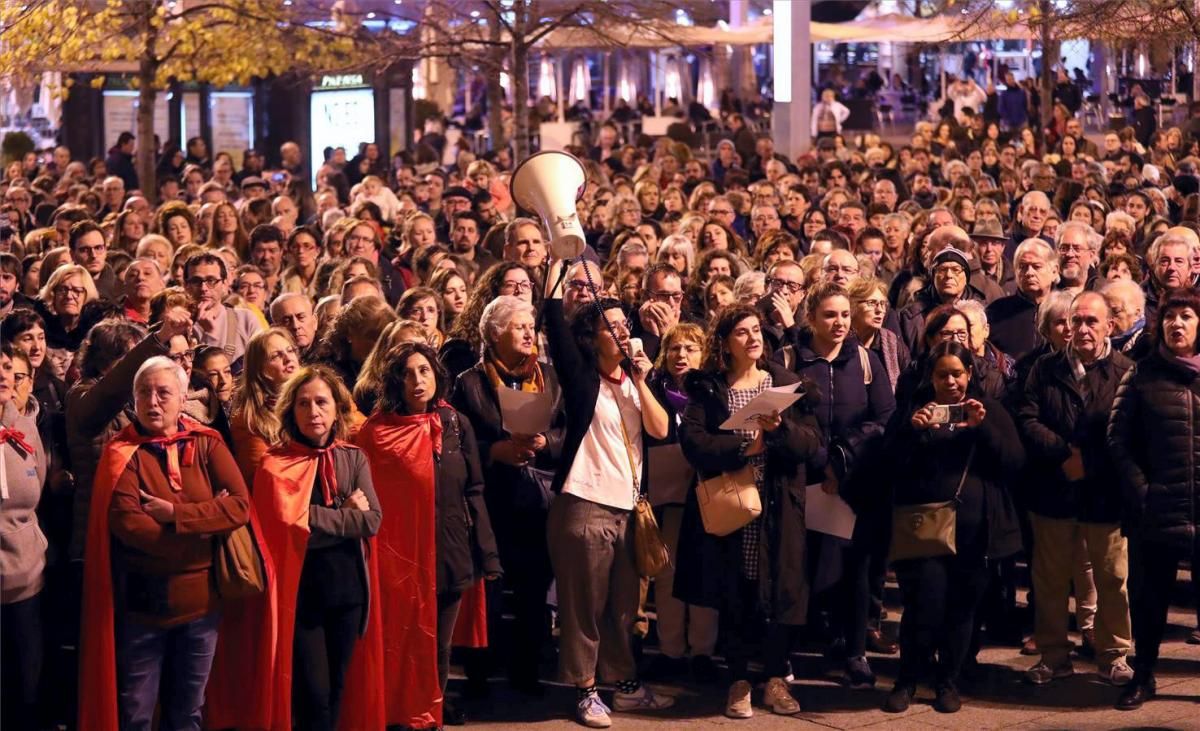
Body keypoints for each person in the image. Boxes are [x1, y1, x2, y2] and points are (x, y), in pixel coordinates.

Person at [78, 356, 250, 730]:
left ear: (182, 397)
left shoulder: (207, 442)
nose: (153, 402)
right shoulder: (121, 452)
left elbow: (239, 507)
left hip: (202, 608)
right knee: (135, 714)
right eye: (144, 393)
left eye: (163, 393)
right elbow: (131, 528)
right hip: (143, 609)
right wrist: (206, 525)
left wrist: (174, 514)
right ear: (133, 400)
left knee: (187, 712)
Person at [541, 259, 673, 727]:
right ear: (591, 338)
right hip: (584, 504)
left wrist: (641, 377)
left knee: (623, 607)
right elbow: (555, 326)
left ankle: (624, 684)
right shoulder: (582, 381)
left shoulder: (635, 380)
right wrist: (556, 271)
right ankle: (584, 688)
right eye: (609, 327)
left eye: (624, 325)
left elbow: (659, 429)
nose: (620, 332)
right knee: (584, 607)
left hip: (628, 510)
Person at [675, 305, 821, 718]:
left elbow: (811, 444)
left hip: (778, 505)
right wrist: (744, 447)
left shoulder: (786, 383)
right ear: (725, 342)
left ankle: (775, 678)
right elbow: (694, 442)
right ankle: (738, 680)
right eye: (741, 332)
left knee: (782, 591)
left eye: (756, 329)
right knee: (736, 589)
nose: (753, 338)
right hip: (732, 501)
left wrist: (780, 431)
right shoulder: (708, 388)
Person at [356, 342, 501, 728]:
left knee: (438, 644)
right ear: (394, 381)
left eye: (424, 370)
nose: (418, 380)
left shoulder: (455, 423)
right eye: (407, 373)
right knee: (402, 639)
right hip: (399, 557)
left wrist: (487, 555)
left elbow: (474, 490)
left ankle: (428, 714)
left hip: (450, 551)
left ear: (437, 375)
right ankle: (397, 711)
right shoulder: (377, 432)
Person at [882, 340, 1024, 714]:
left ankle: (948, 681)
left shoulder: (987, 410)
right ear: (931, 377)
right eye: (943, 374)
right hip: (924, 530)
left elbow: (1013, 462)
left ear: (969, 374)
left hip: (975, 533)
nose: (951, 382)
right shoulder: (913, 412)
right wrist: (912, 432)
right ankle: (907, 680)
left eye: (957, 374)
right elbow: (888, 466)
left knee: (962, 610)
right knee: (923, 606)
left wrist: (980, 429)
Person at [247, 366, 386, 731]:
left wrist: (313, 517)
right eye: (304, 404)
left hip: (348, 593)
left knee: (337, 690)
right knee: (313, 696)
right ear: (291, 411)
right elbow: (288, 531)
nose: (314, 412)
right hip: (301, 597)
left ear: (337, 409)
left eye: (322, 402)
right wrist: (342, 514)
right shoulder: (276, 464)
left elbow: (372, 521)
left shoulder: (353, 457)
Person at [778, 284, 897, 688]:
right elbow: (784, 417)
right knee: (797, 568)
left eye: (845, 314)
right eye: (831, 314)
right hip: (802, 481)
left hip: (852, 484)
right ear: (811, 317)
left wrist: (842, 460)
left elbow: (884, 417)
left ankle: (854, 651)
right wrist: (818, 460)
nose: (841, 322)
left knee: (856, 571)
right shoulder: (791, 358)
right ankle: (787, 652)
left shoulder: (866, 360)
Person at [1016, 292, 1134, 688]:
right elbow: (1028, 417)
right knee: (1049, 580)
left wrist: (1091, 463)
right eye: (1075, 321)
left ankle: (1114, 654)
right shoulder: (1044, 369)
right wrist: (1062, 454)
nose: (1081, 329)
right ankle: (1053, 655)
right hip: (1053, 489)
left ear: (1109, 326)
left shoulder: (1126, 371)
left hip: (1105, 495)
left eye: (1091, 322)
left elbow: (1129, 432)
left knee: (1111, 578)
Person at [451, 295, 565, 694]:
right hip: (492, 502)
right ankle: (481, 674)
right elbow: (455, 443)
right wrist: (493, 451)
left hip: (538, 500)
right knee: (491, 591)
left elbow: (570, 430)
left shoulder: (549, 376)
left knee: (535, 589)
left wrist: (545, 442)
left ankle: (527, 672)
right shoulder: (469, 382)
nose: (529, 333)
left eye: (531, 326)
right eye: (519, 326)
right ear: (495, 333)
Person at [1108, 288, 1200, 710]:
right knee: (1149, 605)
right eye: (1170, 317)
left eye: (1186, 316)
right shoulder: (1142, 375)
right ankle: (1143, 677)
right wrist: (1143, 493)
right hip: (1157, 511)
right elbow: (1118, 441)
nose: (1177, 324)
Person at [640, 323, 720, 683]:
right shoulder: (654, 390)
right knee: (668, 572)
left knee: (705, 571)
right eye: (674, 348)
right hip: (666, 497)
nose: (682, 355)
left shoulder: (712, 392)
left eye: (690, 348)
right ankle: (671, 650)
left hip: (706, 497)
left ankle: (702, 651)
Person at [0, 343, 48, 731]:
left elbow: (38, 492)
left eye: (6, 367)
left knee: (25, 687)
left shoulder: (24, 427)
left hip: (26, 576)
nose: (3, 375)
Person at [230, 327, 299, 483]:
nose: (288, 359)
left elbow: (355, 428)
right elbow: (261, 478)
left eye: (290, 350)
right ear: (261, 370)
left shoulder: (322, 392)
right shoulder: (249, 421)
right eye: (276, 356)